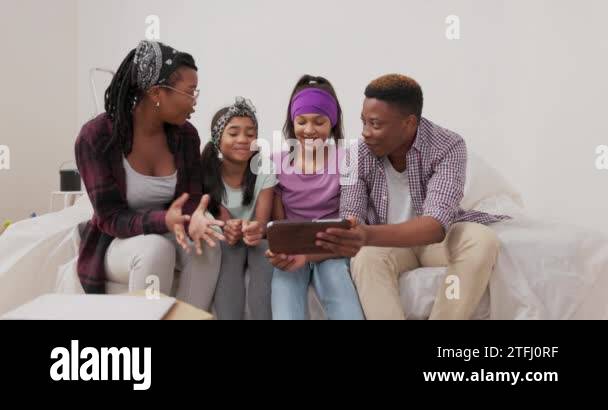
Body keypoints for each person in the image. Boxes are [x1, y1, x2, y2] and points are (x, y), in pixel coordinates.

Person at [316, 74, 510, 320]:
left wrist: (367, 234)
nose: (365, 133)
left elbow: (436, 226)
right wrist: (352, 231)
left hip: (435, 243)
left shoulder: (448, 145)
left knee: (481, 239)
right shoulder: (357, 155)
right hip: (388, 246)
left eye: (375, 124)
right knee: (365, 256)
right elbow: (351, 218)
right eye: (363, 122)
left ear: (409, 123)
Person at [75, 40, 224, 311]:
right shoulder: (96, 137)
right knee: (156, 248)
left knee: (209, 243)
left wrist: (197, 218)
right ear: (157, 92)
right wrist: (164, 220)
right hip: (117, 241)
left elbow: (189, 199)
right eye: (191, 92)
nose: (195, 102)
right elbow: (110, 218)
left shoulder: (186, 136)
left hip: (169, 229)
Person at [267, 75, 364, 320]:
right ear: (293, 121)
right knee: (285, 297)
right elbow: (276, 222)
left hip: (332, 249)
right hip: (292, 248)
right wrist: (278, 248)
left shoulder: (347, 159)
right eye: (301, 121)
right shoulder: (275, 163)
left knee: (338, 287)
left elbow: (351, 219)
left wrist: (315, 253)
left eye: (319, 122)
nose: (309, 130)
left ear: (332, 123)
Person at [201, 98, 276, 320]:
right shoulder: (204, 169)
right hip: (226, 237)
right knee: (227, 252)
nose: (243, 140)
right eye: (233, 133)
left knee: (264, 251)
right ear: (217, 139)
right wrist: (228, 227)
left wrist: (256, 229)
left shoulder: (265, 168)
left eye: (251, 133)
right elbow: (214, 215)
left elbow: (262, 222)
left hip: (255, 237)